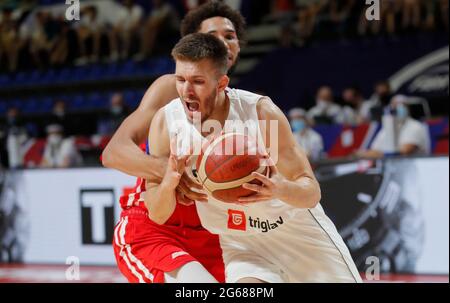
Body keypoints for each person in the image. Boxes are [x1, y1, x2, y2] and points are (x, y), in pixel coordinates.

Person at [146, 33, 362, 283]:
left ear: (221, 83)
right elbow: (157, 214)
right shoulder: (166, 123)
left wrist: (280, 189)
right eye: (180, 80)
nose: (186, 91)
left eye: (198, 81)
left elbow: (311, 193)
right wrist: (168, 184)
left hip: (298, 235)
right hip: (242, 246)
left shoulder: (260, 112)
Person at [109, 1, 245, 283]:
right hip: (154, 225)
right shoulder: (171, 87)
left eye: (229, 36)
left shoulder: (247, 106)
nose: (223, 42)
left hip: (212, 236)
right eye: (212, 36)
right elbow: (115, 152)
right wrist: (174, 172)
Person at [356, 95, 431, 158]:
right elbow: (373, 150)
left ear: (408, 108)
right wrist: (367, 154)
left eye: (402, 105)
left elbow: (404, 151)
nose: (398, 108)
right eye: (395, 106)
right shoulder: (386, 128)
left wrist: (375, 153)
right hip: (390, 168)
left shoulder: (415, 126)